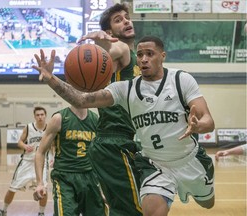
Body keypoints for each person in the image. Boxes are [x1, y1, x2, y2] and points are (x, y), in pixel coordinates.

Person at [32, 35, 215, 216]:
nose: (143, 59)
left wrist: (199, 126)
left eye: (150, 54)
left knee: (207, 203)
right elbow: (81, 100)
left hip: (189, 160)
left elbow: (208, 120)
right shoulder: (125, 89)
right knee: (151, 212)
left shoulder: (180, 80)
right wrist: (51, 78)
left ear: (162, 56)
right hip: (156, 166)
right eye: (140, 54)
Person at [76, 3, 142, 215]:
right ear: (110, 32)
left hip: (124, 140)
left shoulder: (138, 57)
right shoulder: (121, 49)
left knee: (120, 210)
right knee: (138, 210)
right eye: (118, 20)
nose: (126, 21)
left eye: (126, 17)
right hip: (116, 140)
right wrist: (101, 45)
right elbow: (109, 52)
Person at [33, 106, 109, 215]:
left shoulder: (95, 120)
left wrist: (104, 187)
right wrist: (40, 183)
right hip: (65, 177)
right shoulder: (59, 118)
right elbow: (40, 152)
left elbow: (100, 156)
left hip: (90, 177)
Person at [0, 106, 49, 216]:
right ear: (34, 116)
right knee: (12, 188)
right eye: (37, 115)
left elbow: (54, 145)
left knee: (43, 190)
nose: (40, 117)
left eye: (42, 115)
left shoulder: (49, 128)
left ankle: (41, 213)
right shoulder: (29, 127)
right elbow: (19, 142)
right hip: (26, 162)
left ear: (45, 115)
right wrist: (25, 146)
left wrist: (54, 158)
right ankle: (3, 211)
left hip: (42, 164)